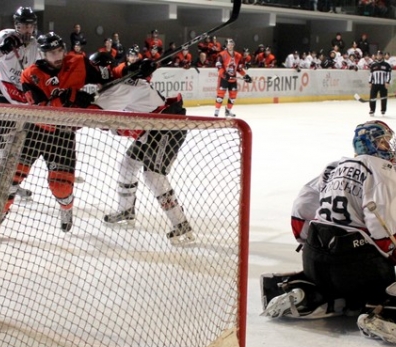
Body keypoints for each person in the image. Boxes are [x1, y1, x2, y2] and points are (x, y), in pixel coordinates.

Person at [261, 120, 396, 345]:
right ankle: (383, 312)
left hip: (313, 259)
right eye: (384, 142)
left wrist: (306, 238)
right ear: (372, 145)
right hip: (357, 270)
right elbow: (386, 226)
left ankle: (307, 294)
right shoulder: (385, 171)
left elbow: (302, 205)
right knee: (382, 281)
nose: (388, 147)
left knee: (333, 287)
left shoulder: (334, 166)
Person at [94, 50, 195, 245]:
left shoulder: (122, 88)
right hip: (150, 131)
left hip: (165, 128)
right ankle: (126, 209)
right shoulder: (123, 83)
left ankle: (180, 223)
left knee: (153, 175)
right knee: (127, 165)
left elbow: (97, 115)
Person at [19, 32, 105, 232]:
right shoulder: (30, 74)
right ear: (42, 54)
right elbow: (41, 109)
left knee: (61, 186)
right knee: (11, 179)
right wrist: (71, 96)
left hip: (62, 134)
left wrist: (132, 69)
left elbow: (106, 75)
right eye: (51, 53)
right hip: (34, 131)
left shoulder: (79, 62)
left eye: (59, 51)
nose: (57, 56)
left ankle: (66, 207)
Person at [0, 6, 40, 200]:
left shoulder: (35, 46)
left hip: (20, 105)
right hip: (0, 101)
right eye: (23, 26)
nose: (27, 30)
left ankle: (8, 183)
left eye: (30, 26)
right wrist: (3, 48)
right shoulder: (5, 36)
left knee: (15, 148)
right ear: (16, 25)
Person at [213, 39, 252, 118]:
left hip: (233, 79)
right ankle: (216, 111)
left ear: (233, 45)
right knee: (220, 96)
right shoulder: (221, 54)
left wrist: (245, 76)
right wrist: (224, 75)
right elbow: (218, 66)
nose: (230, 46)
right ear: (226, 45)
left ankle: (228, 110)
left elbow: (239, 68)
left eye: (231, 44)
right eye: (228, 44)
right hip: (223, 79)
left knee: (233, 96)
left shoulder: (238, 55)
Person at [368, 51, 392, 116]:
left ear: (382, 56)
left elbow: (389, 75)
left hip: (383, 84)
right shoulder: (373, 65)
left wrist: (387, 82)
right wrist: (370, 82)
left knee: (383, 98)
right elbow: (371, 74)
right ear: (376, 56)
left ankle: (383, 110)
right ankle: (372, 110)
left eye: (380, 55)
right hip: (374, 84)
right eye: (378, 55)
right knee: (372, 97)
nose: (379, 56)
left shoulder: (387, 65)